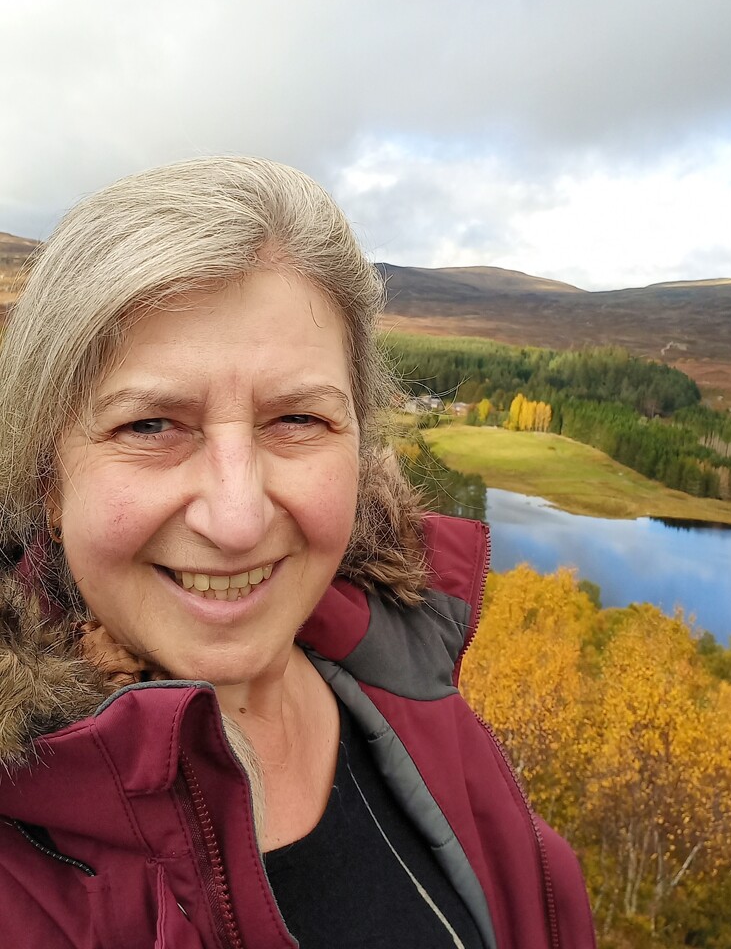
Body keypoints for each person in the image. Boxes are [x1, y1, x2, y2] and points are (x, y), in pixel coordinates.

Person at [0, 157, 596, 948]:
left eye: (297, 422)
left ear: (359, 440)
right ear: (49, 477)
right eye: (149, 426)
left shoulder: (408, 680)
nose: (238, 519)